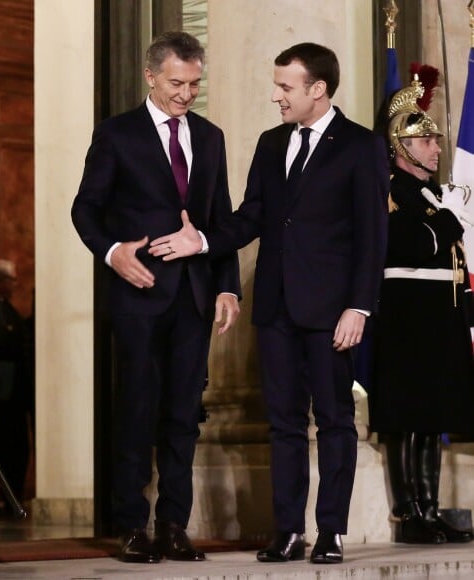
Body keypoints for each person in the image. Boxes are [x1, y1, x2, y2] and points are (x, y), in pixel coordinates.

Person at [149, 42, 389, 564]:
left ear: (317, 89)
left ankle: (330, 531)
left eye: (285, 87)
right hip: (276, 306)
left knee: (334, 420)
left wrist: (359, 306)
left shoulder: (361, 146)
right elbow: (250, 216)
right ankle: (288, 531)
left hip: (332, 310)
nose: (275, 95)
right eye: (276, 85)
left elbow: (373, 235)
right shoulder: (270, 142)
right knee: (281, 421)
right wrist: (204, 241)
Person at [71, 31, 241, 564]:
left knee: (183, 416)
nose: (186, 94)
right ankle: (129, 525)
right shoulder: (117, 134)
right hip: (137, 295)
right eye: (176, 83)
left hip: (193, 295)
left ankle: (173, 525)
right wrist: (113, 251)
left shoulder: (210, 138)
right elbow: (84, 209)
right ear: (150, 76)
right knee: (137, 411)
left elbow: (220, 219)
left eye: (194, 84)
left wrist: (229, 285)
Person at [369, 76, 474, 544]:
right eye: (424, 140)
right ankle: (407, 512)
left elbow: (451, 258)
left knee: (433, 415)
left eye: (433, 139)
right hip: (409, 316)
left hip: (439, 314)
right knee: (408, 415)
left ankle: (430, 509)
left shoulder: (429, 193)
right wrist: (451, 219)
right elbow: (413, 244)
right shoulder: (392, 190)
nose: (435, 148)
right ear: (401, 146)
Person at [0, 260, 32, 507]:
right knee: (8, 442)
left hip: (15, 387)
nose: (14, 284)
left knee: (18, 443)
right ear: (0, 282)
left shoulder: (5, 307)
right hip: (3, 388)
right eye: (11, 279)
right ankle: (6, 496)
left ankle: (14, 495)